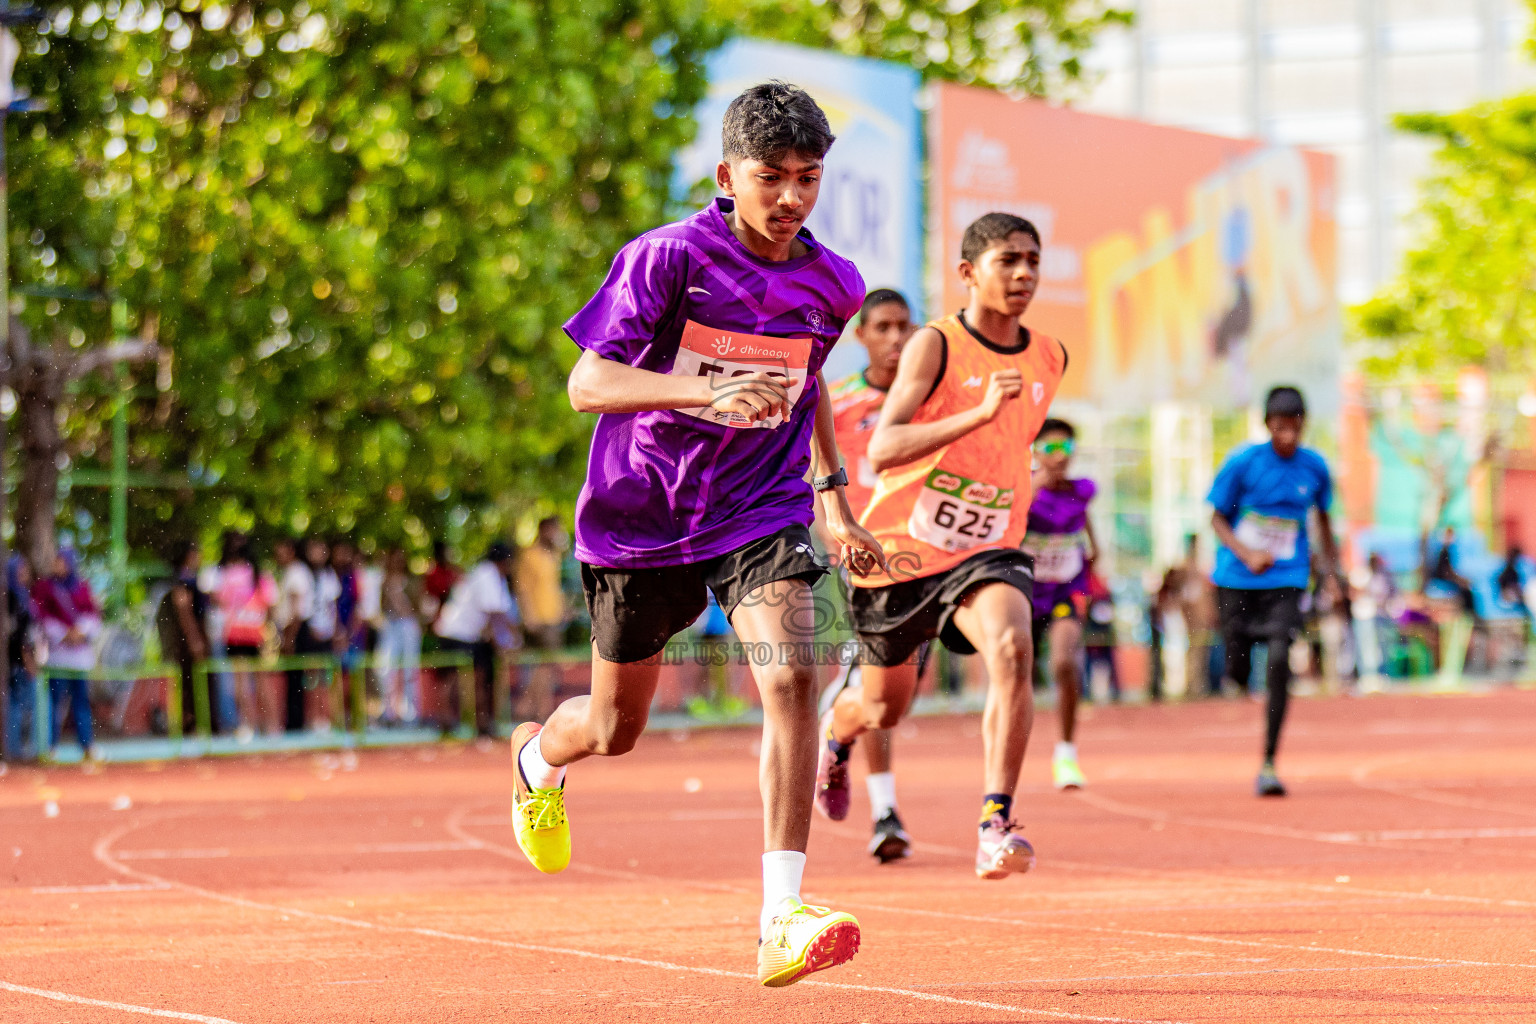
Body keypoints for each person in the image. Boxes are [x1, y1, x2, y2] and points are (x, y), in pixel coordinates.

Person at [508, 82, 884, 989]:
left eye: (808, 178)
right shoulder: (668, 258)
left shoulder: (835, 283)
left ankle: (781, 917)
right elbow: (588, 385)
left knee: (793, 674)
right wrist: (705, 392)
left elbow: (810, 380)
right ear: (726, 176)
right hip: (641, 516)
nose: (790, 197)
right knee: (614, 728)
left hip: (761, 507)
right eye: (770, 177)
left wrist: (832, 497)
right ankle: (536, 760)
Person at [823, 211, 1068, 881]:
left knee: (1012, 649)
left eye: (1032, 261)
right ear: (968, 273)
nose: (1023, 274)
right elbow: (884, 446)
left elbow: (1010, 445)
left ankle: (995, 823)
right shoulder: (934, 344)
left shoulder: (1050, 356)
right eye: (1007, 261)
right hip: (901, 548)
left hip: (989, 546)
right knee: (884, 707)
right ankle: (837, 733)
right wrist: (978, 413)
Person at [816, 287, 916, 863]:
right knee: (880, 684)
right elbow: (814, 476)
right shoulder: (840, 402)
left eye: (904, 326)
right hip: (862, 560)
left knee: (898, 695)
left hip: (924, 559)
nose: (895, 338)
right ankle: (885, 813)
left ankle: (839, 719)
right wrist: (835, 538)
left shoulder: (931, 401)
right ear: (861, 336)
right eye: (883, 327)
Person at [1209, 385, 1340, 797]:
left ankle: (1268, 760)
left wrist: (1332, 575)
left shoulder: (1314, 467)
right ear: (1268, 425)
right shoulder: (1243, 463)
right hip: (1237, 578)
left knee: (1281, 658)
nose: (1288, 436)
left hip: (1287, 577)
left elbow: (1324, 521)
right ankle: (1236, 673)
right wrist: (1247, 553)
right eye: (1280, 427)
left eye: (1295, 427)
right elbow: (1216, 518)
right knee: (1236, 667)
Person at [1020, 417, 1097, 790]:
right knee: (1015, 673)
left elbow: (1087, 530)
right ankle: (1008, 751)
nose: (1059, 456)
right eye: (1050, 448)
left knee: (1065, 663)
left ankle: (1066, 753)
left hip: (1064, 592)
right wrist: (1033, 489)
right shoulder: (1021, 489)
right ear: (1035, 453)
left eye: (1066, 448)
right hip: (1021, 594)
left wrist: (1092, 557)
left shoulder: (1081, 491)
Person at [436, 541, 520, 736]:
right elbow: (494, 613)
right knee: (464, 679)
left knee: (475, 678)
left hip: (467, 634)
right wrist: (508, 641)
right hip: (459, 634)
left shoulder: (491, 576)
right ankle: (453, 723)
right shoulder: (488, 574)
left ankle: (476, 723)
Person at [33, 548, 102, 758]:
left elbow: (92, 614)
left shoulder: (81, 586)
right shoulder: (45, 587)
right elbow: (41, 616)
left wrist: (80, 631)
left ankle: (86, 745)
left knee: (81, 702)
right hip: (59, 655)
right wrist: (63, 634)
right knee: (55, 702)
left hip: (79, 656)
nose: (58, 565)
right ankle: (50, 746)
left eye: (62, 561)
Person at [215, 536, 276, 738]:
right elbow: (270, 605)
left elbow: (220, 602)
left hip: (235, 633)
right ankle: (272, 726)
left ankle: (248, 725)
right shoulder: (260, 575)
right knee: (263, 681)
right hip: (257, 632)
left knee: (240, 682)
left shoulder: (227, 574)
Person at [514, 517, 570, 722]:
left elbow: (553, 587)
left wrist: (563, 610)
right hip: (538, 620)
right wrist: (529, 617)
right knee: (544, 665)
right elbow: (522, 589)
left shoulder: (553, 556)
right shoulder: (529, 555)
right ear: (545, 530)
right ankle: (527, 707)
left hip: (553, 619)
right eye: (554, 530)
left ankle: (537, 708)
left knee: (547, 667)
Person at [156, 540, 211, 735]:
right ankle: (187, 725)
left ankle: (189, 724)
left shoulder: (188, 579)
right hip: (184, 644)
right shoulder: (183, 580)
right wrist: (194, 638)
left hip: (185, 642)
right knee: (187, 684)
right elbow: (183, 609)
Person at [274, 537, 316, 732]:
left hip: (296, 629)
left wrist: (290, 637)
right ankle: (294, 720)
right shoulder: (292, 572)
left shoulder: (296, 572)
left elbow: (297, 611)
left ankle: (296, 722)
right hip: (294, 628)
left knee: (296, 677)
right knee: (294, 678)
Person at [1180, 534, 1223, 696]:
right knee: (1196, 652)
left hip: (1201, 617)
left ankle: (1198, 686)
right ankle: (1193, 687)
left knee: (1202, 652)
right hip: (1195, 617)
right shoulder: (1189, 568)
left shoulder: (1199, 569)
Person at [5, 556, 37, 760]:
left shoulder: (22, 595)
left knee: (19, 704)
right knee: (17, 705)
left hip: (18, 659)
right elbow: (19, 635)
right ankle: (15, 750)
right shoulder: (12, 598)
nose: (25, 573)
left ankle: (17, 748)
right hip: (16, 661)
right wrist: (27, 660)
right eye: (22, 569)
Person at [1081, 570, 1120, 703]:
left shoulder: (1098, 583)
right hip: (1093, 626)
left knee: (1107, 659)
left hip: (1102, 627)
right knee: (1089, 660)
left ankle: (1114, 691)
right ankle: (1087, 692)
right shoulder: (1089, 581)